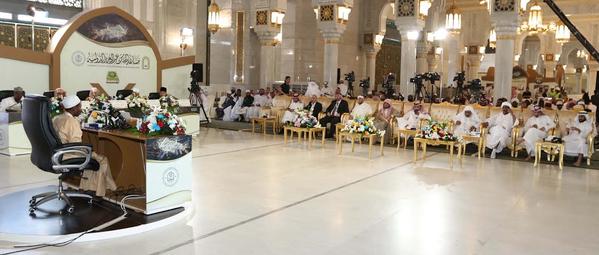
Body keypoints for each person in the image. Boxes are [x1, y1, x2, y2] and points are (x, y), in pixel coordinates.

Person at [52, 96, 116, 196]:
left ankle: (88, 186)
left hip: (58, 153)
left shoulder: (57, 118)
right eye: (79, 107)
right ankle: (102, 190)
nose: (81, 110)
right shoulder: (72, 121)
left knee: (93, 155)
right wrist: (89, 151)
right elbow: (76, 144)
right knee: (102, 159)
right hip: (69, 154)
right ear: (73, 108)